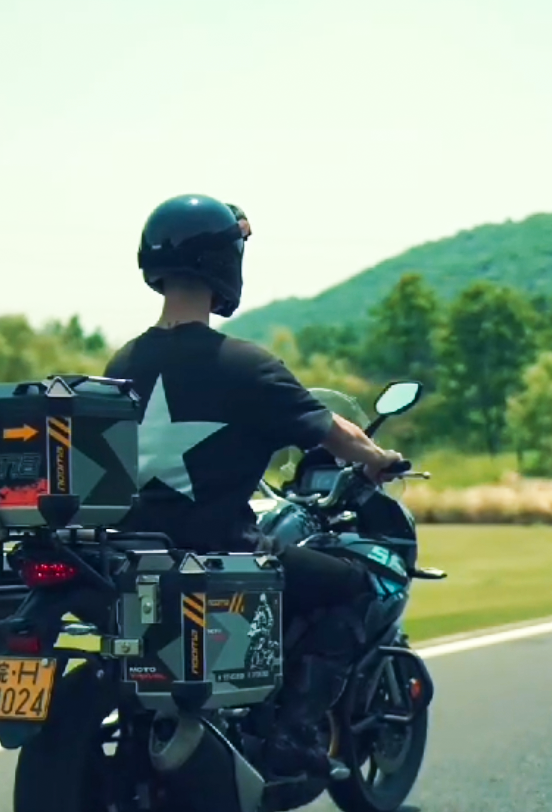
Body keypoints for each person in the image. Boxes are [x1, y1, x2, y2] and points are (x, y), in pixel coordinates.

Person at [103, 193, 404, 781]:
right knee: (353, 587)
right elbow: (330, 429)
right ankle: (294, 734)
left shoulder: (123, 363)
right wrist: (377, 457)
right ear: (224, 262)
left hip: (130, 554)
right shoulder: (243, 364)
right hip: (220, 549)